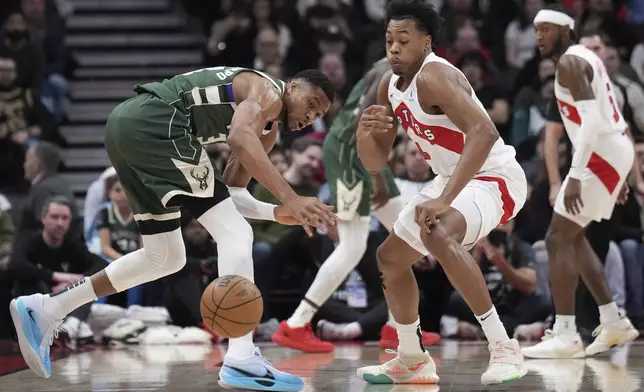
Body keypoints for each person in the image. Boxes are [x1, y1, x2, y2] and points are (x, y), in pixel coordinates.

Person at [10, 66, 337, 392]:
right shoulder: (269, 91)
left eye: (318, 113)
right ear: (293, 87)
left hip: (128, 128)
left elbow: (233, 195)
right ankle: (242, 357)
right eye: (312, 102)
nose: (311, 115)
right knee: (236, 235)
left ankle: (47, 308)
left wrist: (277, 212)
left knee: (164, 257)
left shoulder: (266, 132)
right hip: (159, 123)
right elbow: (239, 137)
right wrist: (292, 198)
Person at [353, 0, 528, 386]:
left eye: (404, 40)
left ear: (426, 42)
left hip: (493, 175)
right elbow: (374, 163)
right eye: (389, 41)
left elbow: (484, 132)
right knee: (390, 258)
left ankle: (503, 347)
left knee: (438, 230)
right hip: (452, 177)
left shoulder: (434, 76)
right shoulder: (389, 84)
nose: (394, 48)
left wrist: (444, 199)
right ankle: (412, 358)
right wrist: (366, 134)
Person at [272, 57, 437, 353]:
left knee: (407, 231)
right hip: (352, 154)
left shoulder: (399, 64)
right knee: (352, 246)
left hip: (369, 153)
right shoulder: (396, 69)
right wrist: (375, 174)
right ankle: (296, 324)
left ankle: (396, 328)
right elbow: (364, 123)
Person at [522, 5, 639, 359]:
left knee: (556, 238)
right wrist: (616, 172)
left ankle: (566, 331)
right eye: (536, 29)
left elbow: (589, 123)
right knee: (572, 238)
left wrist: (575, 174)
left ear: (566, 30)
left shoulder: (570, 63)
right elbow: (603, 115)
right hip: (610, 150)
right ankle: (612, 320)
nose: (539, 36)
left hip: (601, 151)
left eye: (547, 29)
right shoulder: (581, 59)